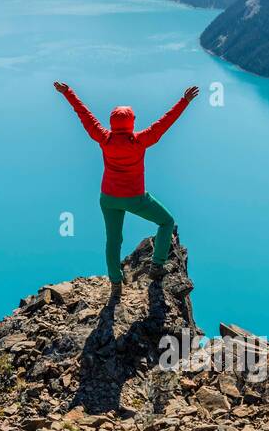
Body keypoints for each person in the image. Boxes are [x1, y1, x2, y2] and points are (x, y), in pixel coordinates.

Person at [53, 81, 199, 299]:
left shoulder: (104, 138)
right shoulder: (140, 140)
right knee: (166, 222)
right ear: (132, 123)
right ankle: (157, 265)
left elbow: (84, 114)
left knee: (113, 240)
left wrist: (67, 92)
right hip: (135, 198)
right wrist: (185, 101)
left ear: (112, 123)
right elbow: (165, 122)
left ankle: (115, 282)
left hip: (109, 198)